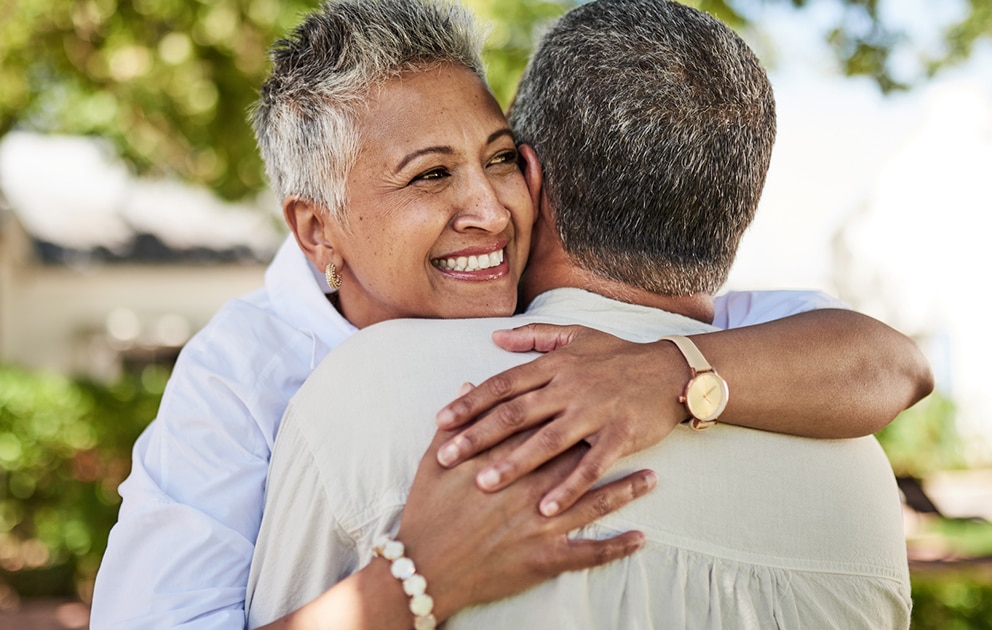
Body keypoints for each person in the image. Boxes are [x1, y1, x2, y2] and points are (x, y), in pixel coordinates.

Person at [90, 0, 931, 626]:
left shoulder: (594, 309)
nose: (490, 211)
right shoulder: (246, 374)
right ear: (319, 229)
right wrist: (412, 582)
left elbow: (893, 364)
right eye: (428, 177)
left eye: (500, 160)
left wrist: (667, 373)